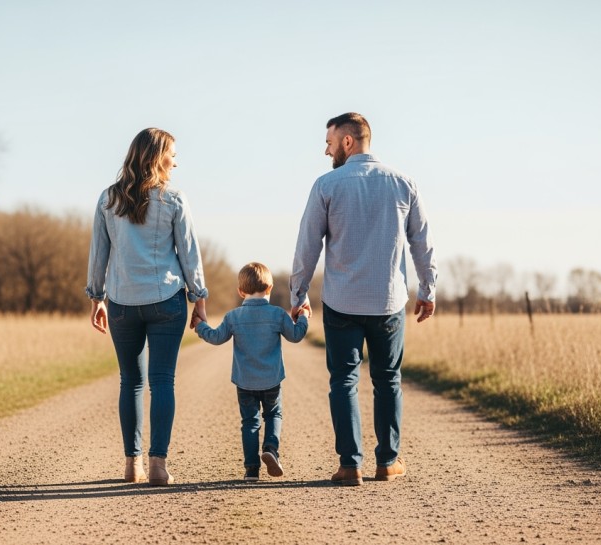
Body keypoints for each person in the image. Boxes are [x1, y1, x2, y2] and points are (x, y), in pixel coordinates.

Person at [289, 112, 437, 486]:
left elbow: (307, 246)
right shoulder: (404, 184)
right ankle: (388, 462)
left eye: (329, 142)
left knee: (343, 381)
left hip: (341, 302)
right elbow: (422, 242)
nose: (326, 150)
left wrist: (298, 293)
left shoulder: (326, 185)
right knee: (388, 380)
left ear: (348, 141)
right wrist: (428, 289)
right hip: (388, 301)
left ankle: (349, 464)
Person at [86, 127, 209, 486]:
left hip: (121, 302)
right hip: (166, 301)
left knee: (131, 383)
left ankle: (132, 465)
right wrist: (198, 298)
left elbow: (99, 254)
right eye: (173, 152)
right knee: (162, 382)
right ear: (157, 157)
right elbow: (190, 255)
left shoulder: (108, 200)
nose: (177, 160)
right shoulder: (174, 200)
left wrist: (96, 297)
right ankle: (158, 465)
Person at [192, 262, 309, 481]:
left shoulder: (233, 317)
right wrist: (303, 316)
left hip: (244, 381)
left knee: (250, 422)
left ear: (240, 291)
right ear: (270, 288)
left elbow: (216, 337)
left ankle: (251, 470)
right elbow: (296, 335)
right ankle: (271, 449)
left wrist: (200, 325)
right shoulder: (277, 315)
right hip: (272, 379)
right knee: (273, 414)